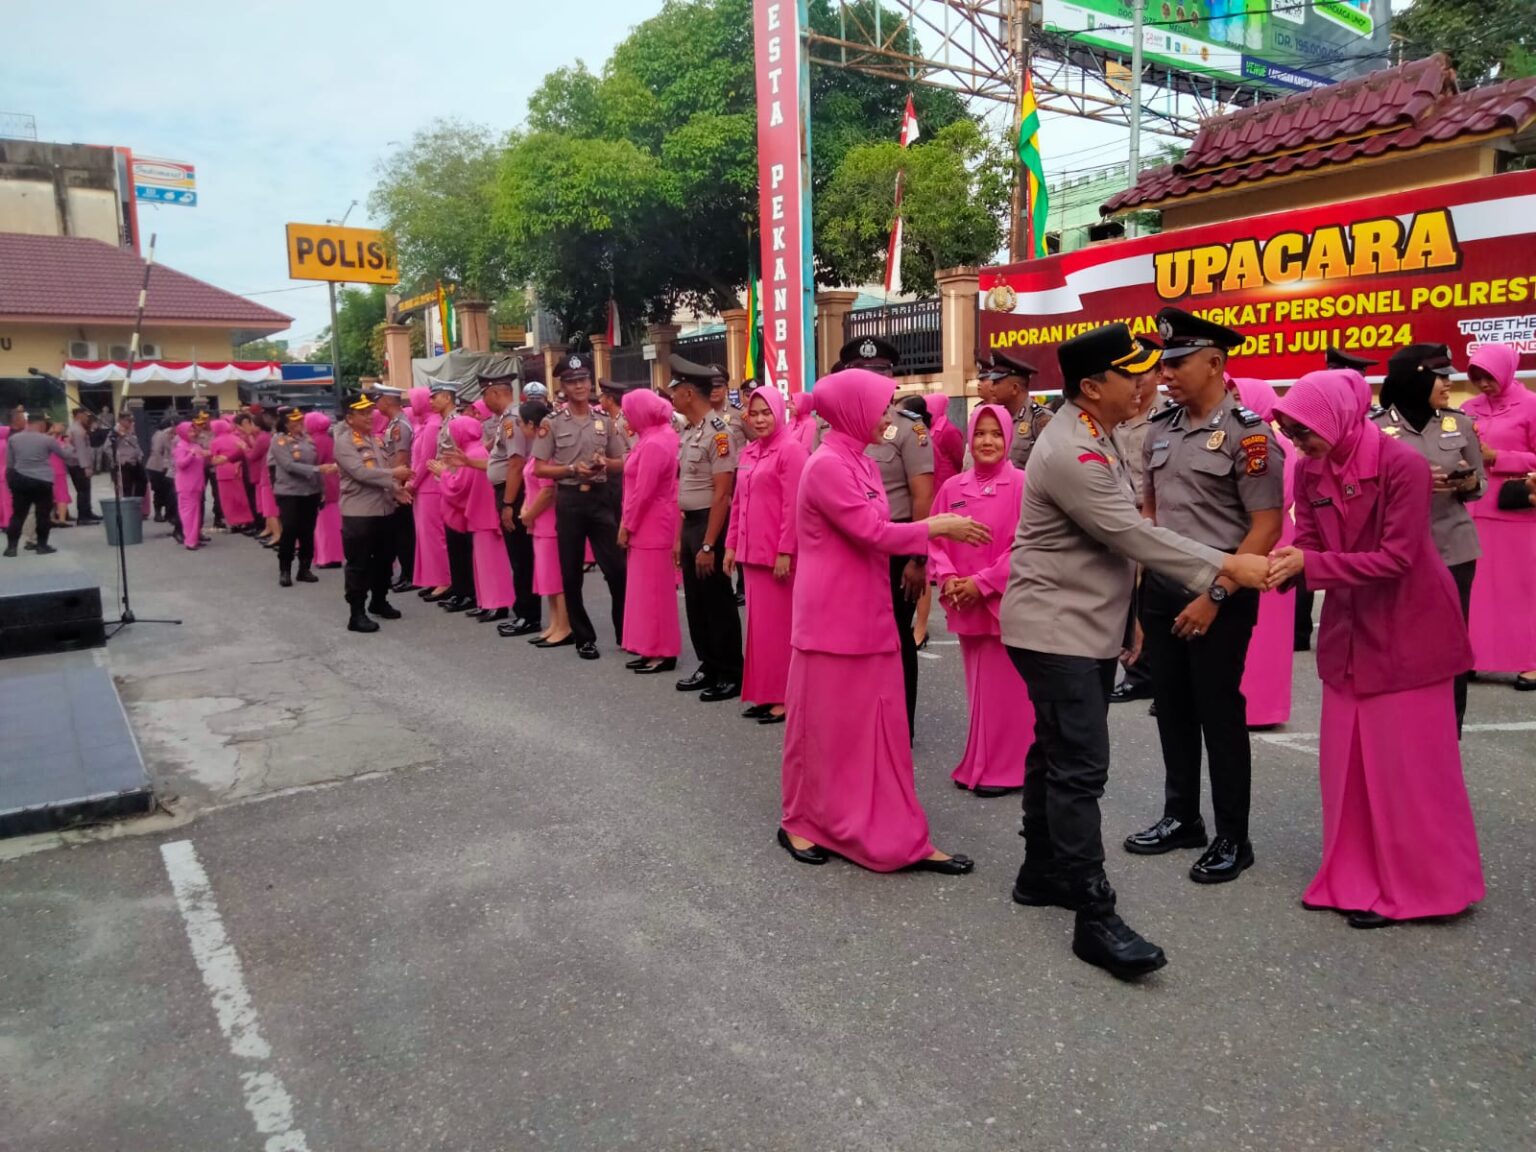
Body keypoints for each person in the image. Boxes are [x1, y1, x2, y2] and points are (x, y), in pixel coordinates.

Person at [999, 323, 1269, 980]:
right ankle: (1094, 914)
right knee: (1079, 768)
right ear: (1093, 387)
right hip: (1057, 630)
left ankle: (1042, 871)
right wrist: (1230, 569)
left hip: (1075, 625)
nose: (1148, 381)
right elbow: (1132, 534)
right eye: (1135, 373)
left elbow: (1135, 528)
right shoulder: (1074, 452)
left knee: (1055, 752)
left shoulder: (1096, 433)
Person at [1269, 370, 1484, 928]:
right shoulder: (1311, 470)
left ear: (1335, 419)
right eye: (1293, 435)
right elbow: (1309, 542)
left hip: (1411, 626)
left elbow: (1398, 559)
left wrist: (1310, 565)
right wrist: (1284, 566)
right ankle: (1356, 875)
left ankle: (1424, 886)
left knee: (1408, 769)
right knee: (1348, 766)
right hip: (1351, 628)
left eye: (1305, 433)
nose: (1301, 445)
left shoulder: (1401, 465)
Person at [778, 367, 989, 875]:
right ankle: (802, 822)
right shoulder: (826, 465)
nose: (889, 417)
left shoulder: (864, 462)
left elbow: (881, 529)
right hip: (831, 621)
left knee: (880, 730)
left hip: (868, 613)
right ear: (852, 409)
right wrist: (936, 527)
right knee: (825, 731)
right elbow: (872, 532)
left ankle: (894, 832)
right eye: (882, 406)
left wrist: (924, 534)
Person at [1124, 307, 1283, 885]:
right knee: (1173, 708)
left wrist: (1215, 594)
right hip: (1164, 591)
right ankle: (1181, 817)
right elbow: (1149, 514)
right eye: (1163, 364)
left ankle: (1233, 837)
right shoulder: (1159, 430)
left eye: (1178, 363)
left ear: (1215, 363)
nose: (1164, 374)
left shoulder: (1250, 434)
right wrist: (1143, 597)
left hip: (1223, 593)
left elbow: (1265, 527)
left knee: (1219, 712)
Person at [1373, 344, 1486, 731]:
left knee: (1451, 643)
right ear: (1415, 378)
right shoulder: (1374, 429)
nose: (1447, 384)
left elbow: (1480, 486)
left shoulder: (1461, 424)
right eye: (1439, 377)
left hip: (1454, 548)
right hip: (1396, 551)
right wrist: (1412, 485)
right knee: (1398, 640)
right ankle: (1403, 724)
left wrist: (1468, 481)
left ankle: (1448, 727)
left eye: (1448, 377)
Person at [929, 403, 1032, 796]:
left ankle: (1007, 767)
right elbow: (935, 538)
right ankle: (981, 761)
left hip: (1004, 600)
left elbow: (1028, 544)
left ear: (1008, 438)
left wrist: (984, 582)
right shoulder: (953, 487)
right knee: (978, 685)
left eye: (996, 434)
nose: (987, 441)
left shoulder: (1023, 484)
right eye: (980, 433)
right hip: (964, 602)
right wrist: (951, 577)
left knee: (1007, 687)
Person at [839, 336, 934, 739]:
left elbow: (923, 496)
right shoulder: (833, 428)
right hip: (850, 552)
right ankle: (864, 722)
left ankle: (899, 728)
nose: (872, 382)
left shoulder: (908, 429)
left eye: (879, 374)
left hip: (894, 550)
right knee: (854, 639)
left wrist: (917, 558)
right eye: (862, 375)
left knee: (897, 637)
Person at [531, 353, 629, 660]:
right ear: (562, 386)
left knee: (617, 570)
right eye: (572, 382)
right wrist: (572, 469)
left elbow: (621, 463)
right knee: (571, 573)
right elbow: (539, 469)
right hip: (570, 500)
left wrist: (604, 464)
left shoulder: (605, 421)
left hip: (601, 499)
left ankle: (625, 631)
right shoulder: (551, 423)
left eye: (584, 380)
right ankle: (583, 637)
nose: (579, 386)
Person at [724, 384, 807, 722]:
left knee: (780, 631)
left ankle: (786, 697)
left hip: (778, 557)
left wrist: (786, 551)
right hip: (751, 553)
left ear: (779, 412)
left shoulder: (791, 451)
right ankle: (764, 691)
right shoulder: (749, 452)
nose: (759, 420)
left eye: (765, 412)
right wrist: (730, 545)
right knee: (760, 630)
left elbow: (794, 507)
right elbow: (738, 503)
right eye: (754, 413)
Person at [669, 358, 745, 701]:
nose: (671, 397)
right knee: (696, 602)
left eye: (675, 391)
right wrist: (679, 539)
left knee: (717, 601)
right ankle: (709, 664)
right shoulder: (689, 431)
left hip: (708, 525)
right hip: (690, 524)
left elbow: (723, 493)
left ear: (687, 393)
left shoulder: (719, 433)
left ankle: (731, 670)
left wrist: (709, 545)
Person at [1462, 342, 1536, 690]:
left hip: (1514, 512)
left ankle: (1529, 662)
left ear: (1506, 371)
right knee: (1473, 590)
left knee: (1520, 590)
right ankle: (1472, 657)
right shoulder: (1467, 408)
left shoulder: (1531, 406)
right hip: (1471, 510)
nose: (1483, 385)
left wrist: (1499, 457)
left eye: (1488, 377)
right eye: (1476, 378)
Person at [1228, 375, 1297, 729]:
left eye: (1239, 395)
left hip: (1272, 546)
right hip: (1239, 542)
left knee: (1266, 639)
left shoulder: (1277, 443)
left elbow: (1278, 500)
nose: (1233, 400)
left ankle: (1263, 708)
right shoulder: (1232, 438)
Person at [1107, 367, 1164, 704]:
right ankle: (1138, 674)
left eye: (1144, 372)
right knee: (1132, 599)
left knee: (1159, 600)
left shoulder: (1166, 417)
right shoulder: (1120, 416)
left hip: (1158, 516)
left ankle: (1161, 679)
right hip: (1122, 516)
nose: (1137, 380)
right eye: (1131, 374)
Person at [333, 393, 412, 633]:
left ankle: (379, 600)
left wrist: (396, 490)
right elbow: (360, 473)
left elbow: (382, 470)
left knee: (385, 560)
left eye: (370, 412)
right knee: (359, 565)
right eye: (363, 413)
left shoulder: (375, 440)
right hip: (360, 513)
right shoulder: (344, 442)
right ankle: (356, 613)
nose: (370, 416)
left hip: (384, 509)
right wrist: (394, 475)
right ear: (349, 418)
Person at [618, 386, 683, 673]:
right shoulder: (654, 436)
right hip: (651, 523)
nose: (624, 417)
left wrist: (627, 525)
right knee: (646, 591)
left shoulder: (655, 443)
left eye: (628, 411)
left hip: (652, 523)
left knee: (655, 592)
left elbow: (643, 492)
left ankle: (662, 650)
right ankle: (649, 647)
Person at [437, 414, 516, 622]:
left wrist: (443, 474)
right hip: (481, 514)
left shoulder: (473, 452)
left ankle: (498, 604)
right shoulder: (474, 450)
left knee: (492, 564)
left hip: (484, 515)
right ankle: (488, 602)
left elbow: (459, 487)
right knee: (483, 563)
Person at [485, 376, 543, 637]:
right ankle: (524, 612)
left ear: (496, 393)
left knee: (521, 557)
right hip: (511, 491)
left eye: (485, 395)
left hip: (514, 493)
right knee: (519, 557)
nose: (484, 401)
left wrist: (508, 503)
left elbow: (516, 463)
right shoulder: (508, 418)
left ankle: (528, 615)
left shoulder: (512, 419)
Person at [517, 398, 572, 648]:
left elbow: (548, 491)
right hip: (538, 522)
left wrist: (529, 514)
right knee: (546, 577)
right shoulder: (537, 451)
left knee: (555, 577)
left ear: (532, 424)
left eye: (521, 423)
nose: (520, 428)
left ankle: (565, 625)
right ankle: (554, 623)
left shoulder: (547, 452)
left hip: (548, 522)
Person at [269, 407, 333, 587]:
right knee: (290, 530)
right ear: (285, 423)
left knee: (307, 531)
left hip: (310, 491)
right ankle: (285, 569)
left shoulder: (307, 439)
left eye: (300, 421)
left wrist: (321, 489)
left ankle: (304, 568)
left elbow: (316, 462)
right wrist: (316, 470)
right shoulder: (279, 440)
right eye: (294, 421)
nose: (298, 424)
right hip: (289, 492)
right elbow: (288, 465)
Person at [3, 413, 72, 556]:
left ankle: (11, 547)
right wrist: (68, 445)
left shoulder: (14, 439)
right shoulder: (47, 440)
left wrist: (12, 481)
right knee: (43, 515)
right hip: (42, 480)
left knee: (18, 514)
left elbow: (10, 463)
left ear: (28, 422)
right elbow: (65, 455)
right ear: (41, 424)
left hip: (21, 479)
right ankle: (41, 545)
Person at [410, 383, 455, 600]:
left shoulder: (432, 426)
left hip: (430, 488)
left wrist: (411, 484)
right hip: (425, 488)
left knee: (434, 536)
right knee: (426, 537)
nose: (428, 402)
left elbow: (425, 461)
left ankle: (443, 579)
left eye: (432, 397)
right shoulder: (428, 423)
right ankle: (434, 578)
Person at [978, 350, 1053, 470]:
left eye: (997, 383)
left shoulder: (1039, 419)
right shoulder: (997, 418)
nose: (991, 388)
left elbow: (1053, 466)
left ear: (1014, 388)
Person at [376, 387, 416, 593]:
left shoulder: (400, 425)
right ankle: (405, 573)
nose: (376, 404)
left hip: (399, 486)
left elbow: (401, 457)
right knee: (400, 533)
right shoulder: (393, 424)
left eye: (378, 399)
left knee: (404, 534)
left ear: (387, 401)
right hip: (393, 483)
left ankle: (409, 574)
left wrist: (397, 488)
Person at [304, 411, 345, 570]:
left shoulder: (316, 441)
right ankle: (331, 555)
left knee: (324, 525)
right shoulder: (328, 439)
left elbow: (313, 463)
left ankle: (328, 557)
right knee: (332, 523)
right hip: (333, 483)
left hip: (322, 483)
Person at [209, 419, 255, 533]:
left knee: (228, 501)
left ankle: (235, 523)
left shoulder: (215, 441)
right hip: (237, 469)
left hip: (224, 472)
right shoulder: (236, 438)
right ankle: (246, 520)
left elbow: (214, 458)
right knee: (240, 498)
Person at [172, 421, 211, 550]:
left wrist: (208, 455)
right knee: (188, 514)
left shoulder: (195, 445)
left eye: (193, 431)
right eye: (189, 431)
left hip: (197, 484)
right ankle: (190, 541)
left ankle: (194, 538)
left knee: (195, 513)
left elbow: (203, 463)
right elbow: (181, 464)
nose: (193, 433)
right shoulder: (180, 446)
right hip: (186, 485)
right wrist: (191, 454)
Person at [66, 408, 101, 524]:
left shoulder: (77, 428)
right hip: (79, 465)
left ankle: (87, 512)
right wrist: (86, 466)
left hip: (77, 463)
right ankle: (83, 517)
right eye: (85, 416)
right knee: (83, 490)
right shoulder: (77, 430)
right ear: (79, 416)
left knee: (85, 489)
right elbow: (81, 450)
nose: (87, 418)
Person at [145, 416, 177, 531]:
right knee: (160, 491)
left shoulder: (160, 434)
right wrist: (165, 465)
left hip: (160, 466)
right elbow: (158, 450)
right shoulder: (162, 435)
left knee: (166, 491)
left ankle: (167, 513)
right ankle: (159, 513)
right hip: (158, 466)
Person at [111, 412, 146, 500]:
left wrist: (140, 455)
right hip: (123, 463)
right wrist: (118, 457)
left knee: (142, 482)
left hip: (135, 462)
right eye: (128, 420)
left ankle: (137, 503)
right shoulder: (115, 431)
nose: (131, 422)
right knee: (126, 488)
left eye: (132, 420)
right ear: (121, 420)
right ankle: (128, 507)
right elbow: (107, 447)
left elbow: (136, 444)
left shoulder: (131, 430)